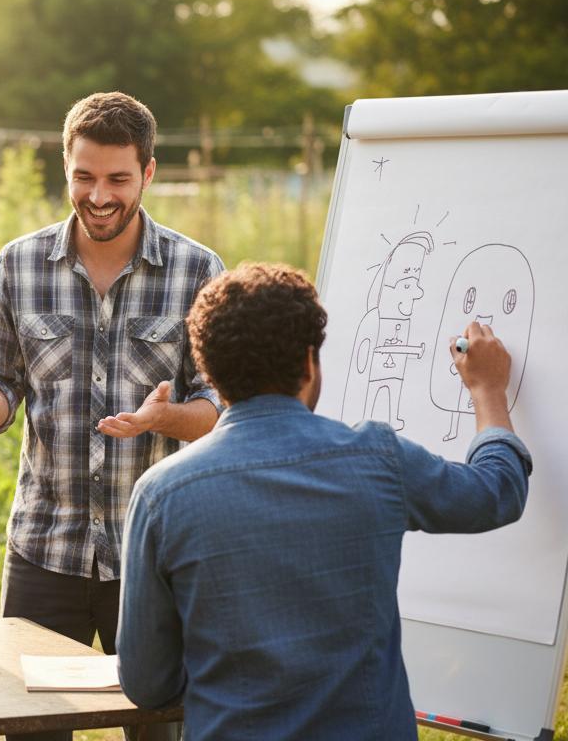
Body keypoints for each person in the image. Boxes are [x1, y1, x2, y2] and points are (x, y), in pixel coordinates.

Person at [117, 263, 531, 741]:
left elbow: (149, 684)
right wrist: (487, 390)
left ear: (210, 373)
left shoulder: (161, 495)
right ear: (310, 363)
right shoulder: (378, 459)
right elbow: (497, 492)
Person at [0, 91, 223, 740]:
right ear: (66, 169)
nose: (99, 195)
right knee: (26, 729)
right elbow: (1, 386)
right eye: (84, 177)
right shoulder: (17, 265)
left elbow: (219, 410)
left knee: (160, 729)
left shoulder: (198, 270)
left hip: (152, 556)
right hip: (44, 549)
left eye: (118, 179)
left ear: (149, 173)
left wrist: (164, 419)